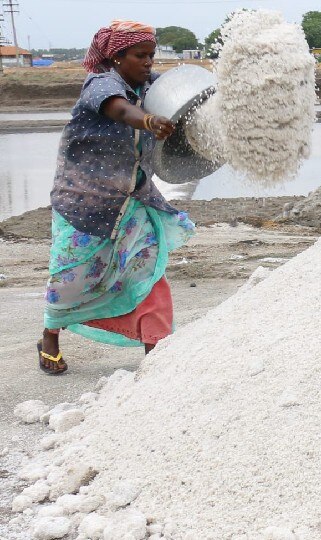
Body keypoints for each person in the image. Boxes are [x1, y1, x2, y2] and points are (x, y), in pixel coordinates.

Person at [37, 20, 195, 374]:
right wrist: (150, 121)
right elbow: (121, 110)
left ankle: (157, 351)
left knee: (148, 269)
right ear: (116, 57)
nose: (148, 62)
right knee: (71, 277)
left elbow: (184, 95)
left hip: (133, 201)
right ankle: (50, 335)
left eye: (152, 55)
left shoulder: (150, 86)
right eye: (140, 56)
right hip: (84, 202)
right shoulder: (101, 84)